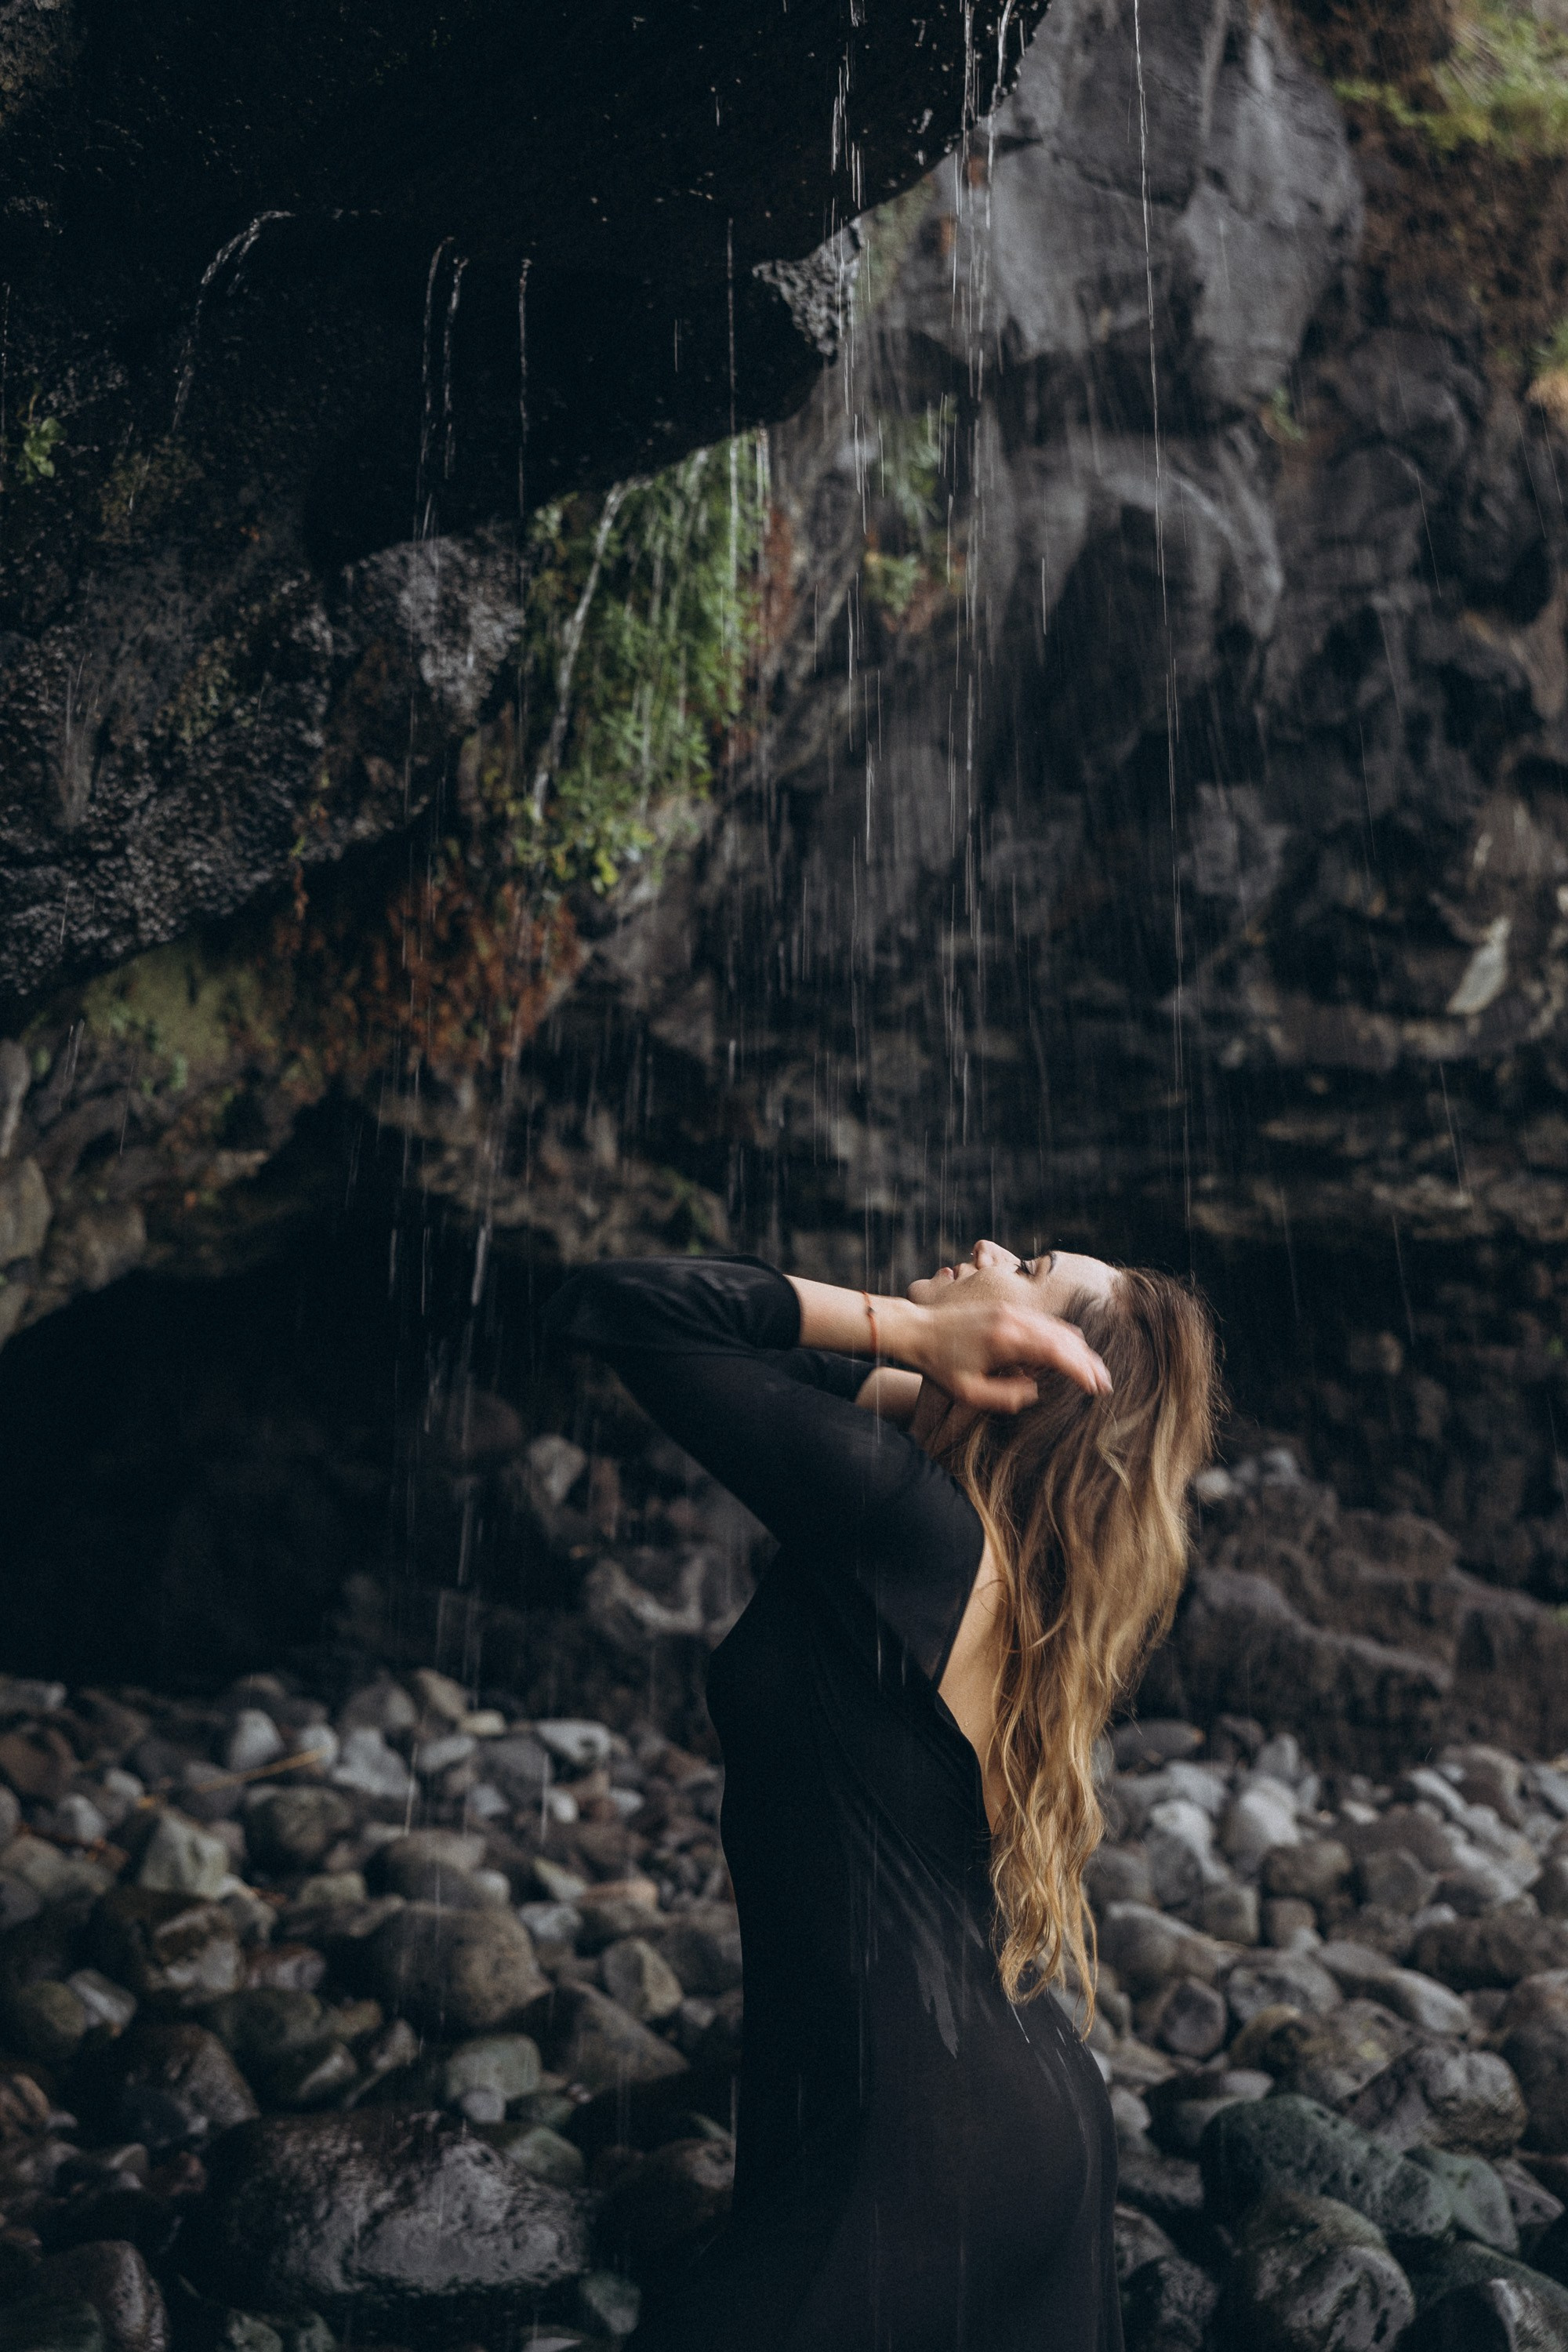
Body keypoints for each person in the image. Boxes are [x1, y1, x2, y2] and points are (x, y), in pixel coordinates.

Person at [543, 1240, 1219, 2352]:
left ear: (1032, 1365)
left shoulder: (908, 1526)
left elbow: (621, 1300)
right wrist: (939, 1377)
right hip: (1005, 2109)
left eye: (1032, 1266)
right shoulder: (966, 1548)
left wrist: (901, 1330)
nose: (991, 1249)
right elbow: (751, 1353)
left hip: (915, 2139)